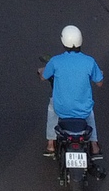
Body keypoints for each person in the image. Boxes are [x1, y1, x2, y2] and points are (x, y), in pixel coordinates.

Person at [38, 25, 103, 154]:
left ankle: (51, 143)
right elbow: (100, 83)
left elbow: (43, 77)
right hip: (83, 110)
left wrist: (41, 71)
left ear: (63, 41)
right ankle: (94, 145)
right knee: (90, 112)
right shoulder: (89, 61)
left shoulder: (55, 61)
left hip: (61, 109)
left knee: (52, 108)